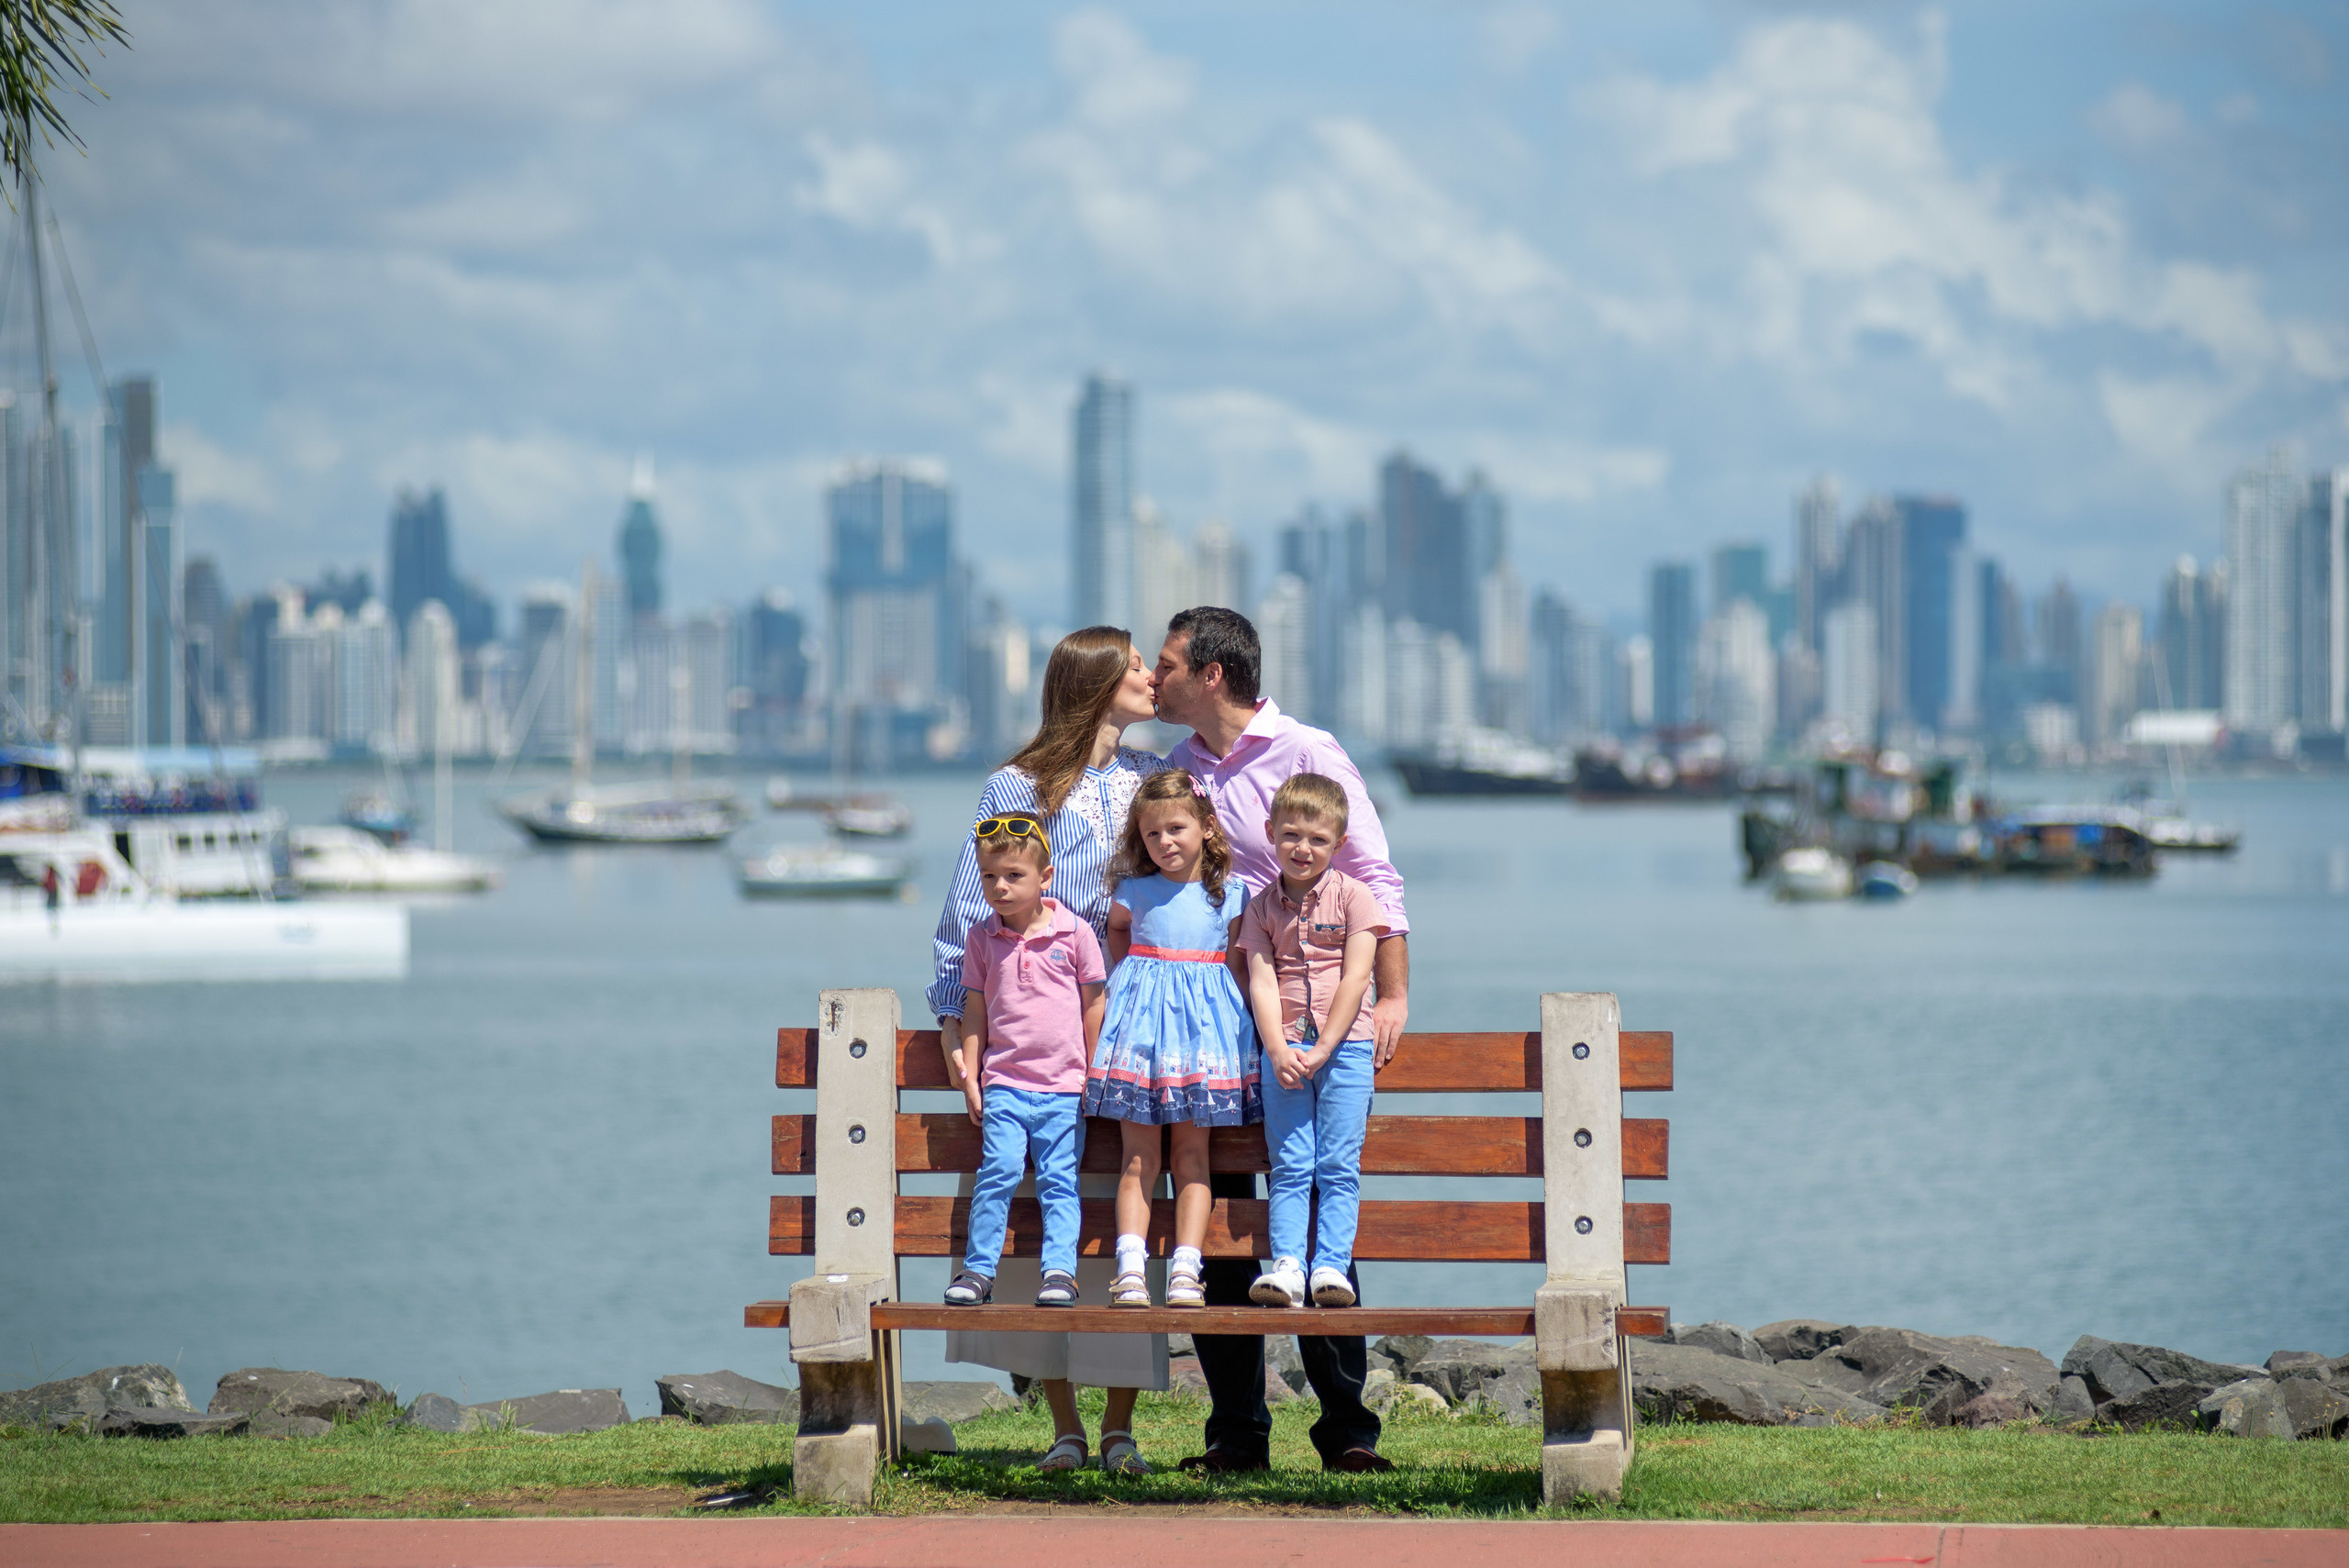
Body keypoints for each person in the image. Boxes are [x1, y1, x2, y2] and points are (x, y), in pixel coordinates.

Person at [1149, 605, 1408, 1475]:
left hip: (1308, 1023)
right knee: (1223, 1220)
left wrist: (1394, 993)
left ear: (1211, 673)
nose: (1155, 678)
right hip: (1212, 1024)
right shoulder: (1176, 769)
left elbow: (1374, 877)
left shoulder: (1309, 754)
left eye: (1168, 664)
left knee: (1320, 1201)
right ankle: (1235, 1431)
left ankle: (1347, 1428)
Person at [927, 626, 1170, 1474]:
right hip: (1031, 1040)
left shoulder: (1151, 779)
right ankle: (1066, 1424)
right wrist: (961, 1040)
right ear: (1099, 683)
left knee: (1124, 1220)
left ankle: (1119, 1425)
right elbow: (966, 921)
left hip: (1132, 1030)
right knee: (1039, 1223)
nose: (1151, 676)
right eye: (1136, 664)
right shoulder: (1018, 784)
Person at [1084, 769, 1258, 1312]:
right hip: (1140, 1032)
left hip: (1203, 1041)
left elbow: (1238, 962)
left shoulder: (1231, 895)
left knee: (1191, 1154)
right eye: (1152, 833)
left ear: (1207, 827)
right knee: (1137, 1158)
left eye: (1176, 829)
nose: (1164, 843)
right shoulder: (1132, 890)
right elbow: (1115, 931)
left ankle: (1187, 1269)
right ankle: (1130, 1270)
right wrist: (1128, 976)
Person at [1234, 773, 1387, 1311]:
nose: (1303, 849)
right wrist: (1275, 1047)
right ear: (1271, 833)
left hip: (1343, 1050)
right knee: (1292, 1163)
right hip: (1283, 1053)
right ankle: (1288, 1267)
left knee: (1338, 1165)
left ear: (1339, 845)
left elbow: (1356, 978)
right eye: (1292, 836)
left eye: (1318, 840)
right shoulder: (1260, 907)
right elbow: (1261, 976)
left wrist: (1322, 1049)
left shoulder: (1356, 898)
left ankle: (1330, 1267)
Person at [945, 812, 1106, 1316]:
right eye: (989, 876)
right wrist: (973, 1078)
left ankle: (1060, 1271)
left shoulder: (1075, 934)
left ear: (1046, 877)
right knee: (998, 1172)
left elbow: (1093, 1007)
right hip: (1006, 1087)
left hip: (1063, 1088)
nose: (1000, 887)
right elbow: (974, 1013)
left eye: (1014, 876)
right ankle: (979, 1270)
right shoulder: (981, 939)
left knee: (1060, 1179)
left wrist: (1093, 1073)